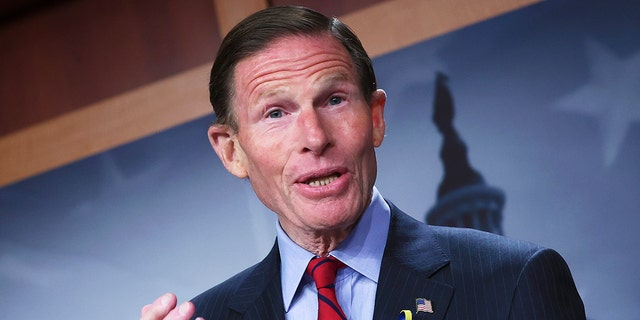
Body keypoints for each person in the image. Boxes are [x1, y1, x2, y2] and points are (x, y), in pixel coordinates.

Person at [140, 5, 585, 320]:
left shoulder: (513, 283)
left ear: (375, 118)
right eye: (276, 113)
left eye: (334, 100)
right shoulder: (207, 317)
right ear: (231, 150)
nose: (314, 138)